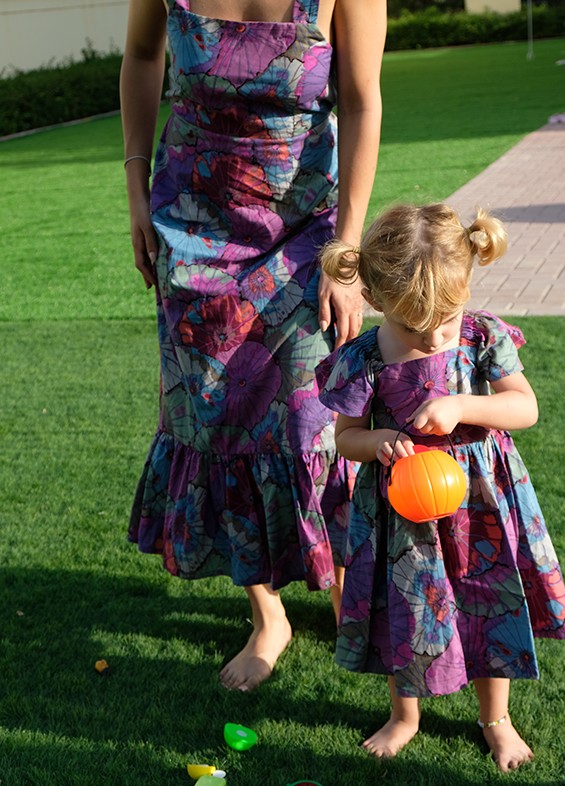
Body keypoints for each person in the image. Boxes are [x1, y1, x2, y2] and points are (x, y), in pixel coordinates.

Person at [120, 0, 387, 692]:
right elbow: (144, 57)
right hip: (191, 219)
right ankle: (268, 614)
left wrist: (347, 248)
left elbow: (361, 102)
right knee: (212, 414)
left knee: (313, 414)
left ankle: (346, 593)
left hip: (304, 228)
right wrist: (135, 188)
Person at [316, 203, 565, 770]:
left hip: (480, 501)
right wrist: (379, 441)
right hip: (401, 514)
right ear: (377, 302)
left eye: (447, 317)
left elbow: (524, 407)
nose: (435, 336)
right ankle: (404, 715)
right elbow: (346, 438)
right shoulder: (364, 357)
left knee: (488, 601)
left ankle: (496, 719)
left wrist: (463, 404)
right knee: (406, 610)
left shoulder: (481, 334)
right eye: (416, 324)